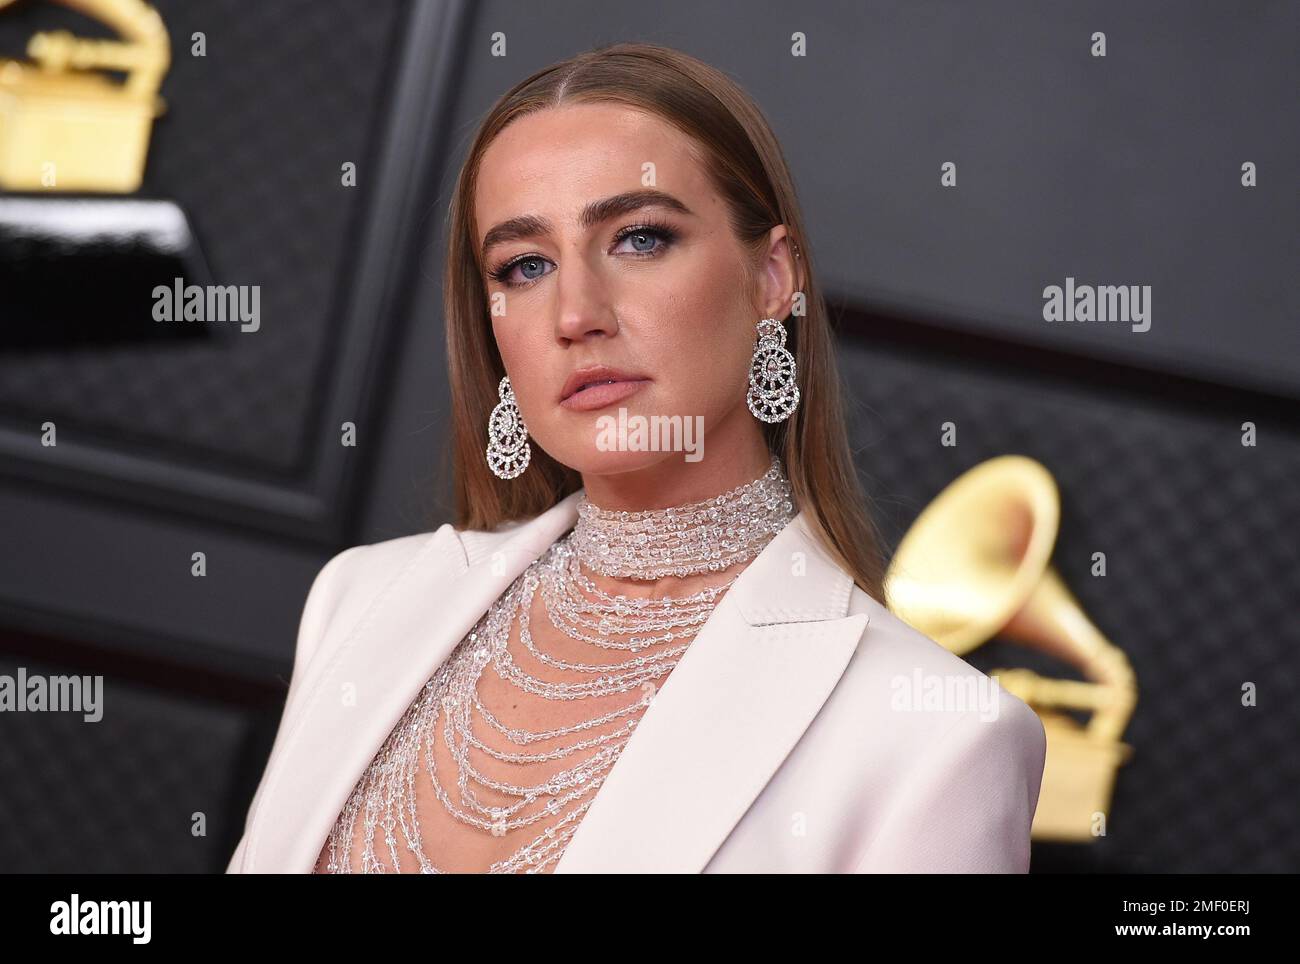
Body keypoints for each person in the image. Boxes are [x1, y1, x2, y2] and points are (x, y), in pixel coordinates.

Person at [226, 42, 1045, 874]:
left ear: (771, 277)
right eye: (525, 266)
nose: (575, 313)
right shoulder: (360, 602)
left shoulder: (935, 739)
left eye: (640, 239)